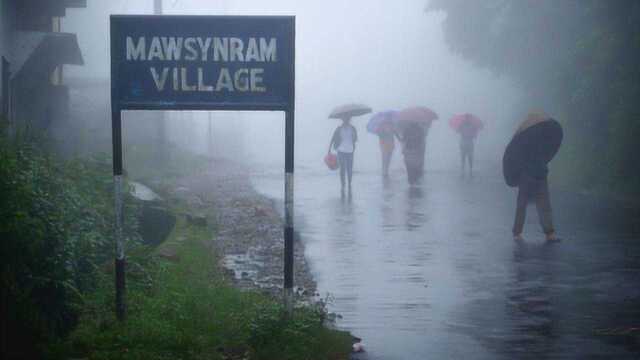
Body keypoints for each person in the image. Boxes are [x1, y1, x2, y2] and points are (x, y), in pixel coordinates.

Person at [512, 147, 559, 242]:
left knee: (543, 204)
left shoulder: (541, 137)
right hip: (528, 174)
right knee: (523, 204)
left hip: (539, 173)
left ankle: (549, 233)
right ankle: (517, 233)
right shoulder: (525, 138)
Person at [329, 116, 358, 193]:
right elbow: (333, 138)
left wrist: (354, 136)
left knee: (349, 169)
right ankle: (343, 184)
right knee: (342, 169)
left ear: (349, 120)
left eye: (347, 119)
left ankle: (349, 183)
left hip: (350, 151)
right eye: (345, 119)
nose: (346, 120)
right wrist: (329, 149)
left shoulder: (353, 128)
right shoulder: (339, 129)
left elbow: (355, 139)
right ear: (342, 120)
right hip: (341, 150)